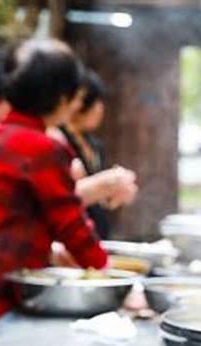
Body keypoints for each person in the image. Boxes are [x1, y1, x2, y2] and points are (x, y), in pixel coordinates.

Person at [0, 39, 108, 317]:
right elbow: (70, 222)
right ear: (62, 99)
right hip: (2, 294)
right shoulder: (43, 149)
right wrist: (106, 274)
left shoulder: (2, 136)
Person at [54, 69, 137, 238]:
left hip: (95, 232)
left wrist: (113, 192)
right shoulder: (56, 139)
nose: (100, 110)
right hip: (69, 235)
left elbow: (97, 197)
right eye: (95, 102)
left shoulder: (95, 145)